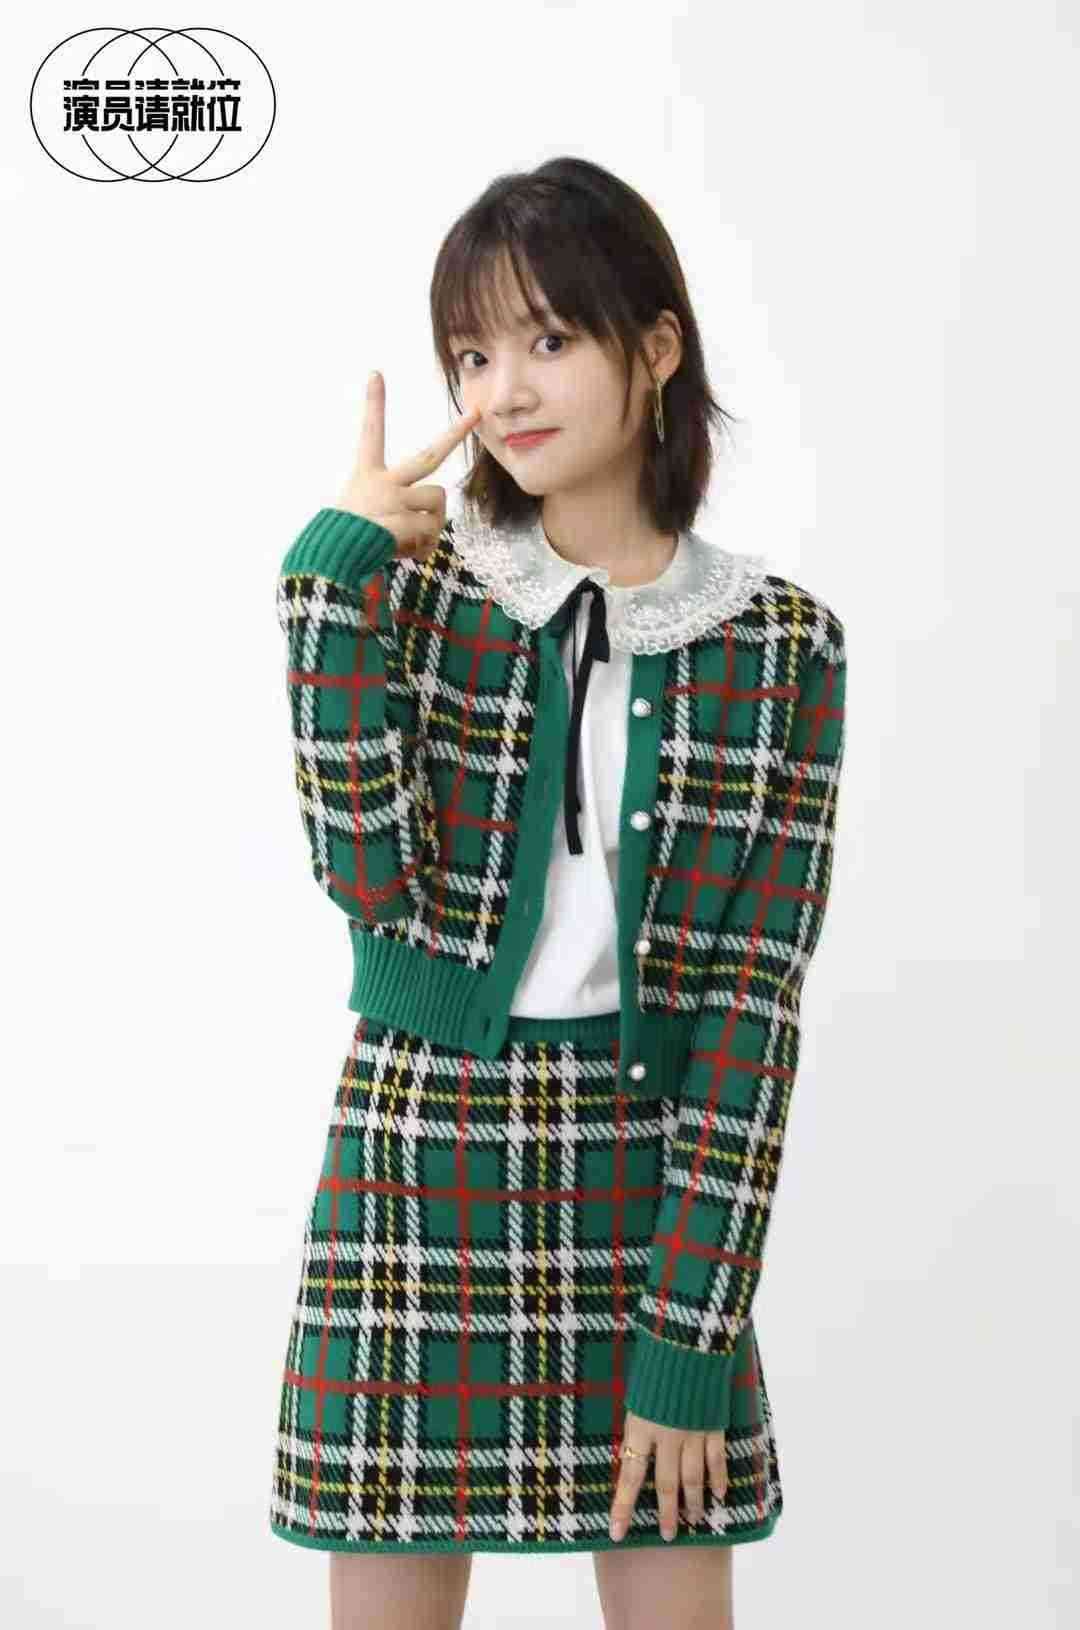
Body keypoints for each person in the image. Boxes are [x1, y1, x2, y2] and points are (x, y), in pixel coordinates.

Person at [270, 155, 847, 1630]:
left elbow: (753, 1011)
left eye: (547, 339)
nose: (505, 390)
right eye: (472, 354)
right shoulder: (421, 596)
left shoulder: (781, 647)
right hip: (415, 1177)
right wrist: (331, 578)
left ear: (655, 348)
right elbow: (366, 876)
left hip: (649, 1189)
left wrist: (692, 1331)